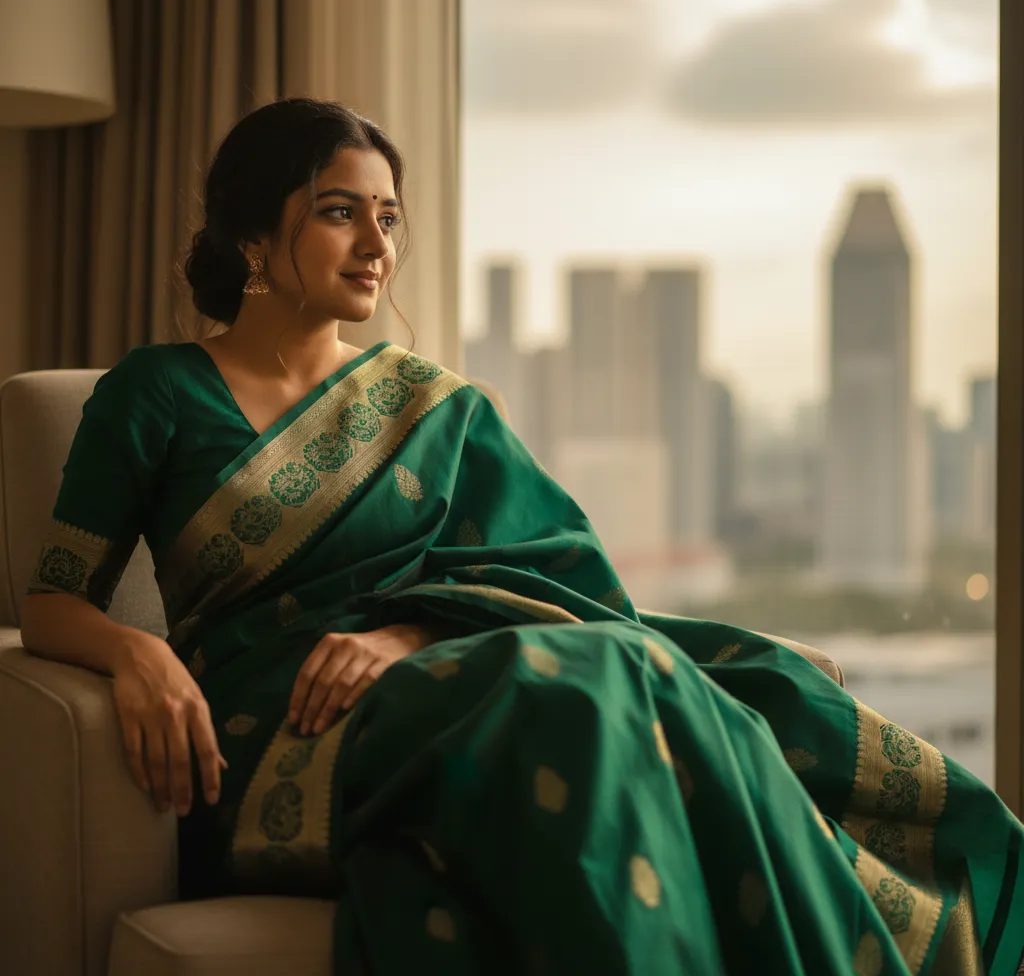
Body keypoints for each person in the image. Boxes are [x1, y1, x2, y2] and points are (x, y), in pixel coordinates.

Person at [19, 97, 1024, 975]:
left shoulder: (431, 406)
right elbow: (53, 598)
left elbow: (559, 573)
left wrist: (405, 635)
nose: (377, 244)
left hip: (449, 663)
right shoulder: (153, 394)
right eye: (339, 212)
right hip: (278, 726)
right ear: (248, 236)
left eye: (388, 217)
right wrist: (137, 651)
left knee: (720, 667)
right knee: (583, 688)